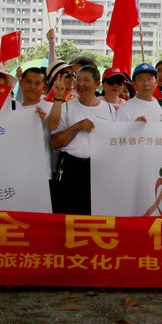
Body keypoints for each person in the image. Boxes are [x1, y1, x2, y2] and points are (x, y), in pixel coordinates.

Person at [49, 65, 117, 215]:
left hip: (99, 170)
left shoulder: (110, 110)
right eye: (78, 79)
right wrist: (76, 127)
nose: (80, 84)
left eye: (86, 80)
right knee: (68, 214)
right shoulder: (66, 108)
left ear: (97, 84)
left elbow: (116, 141)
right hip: (71, 168)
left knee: (95, 215)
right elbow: (55, 142)